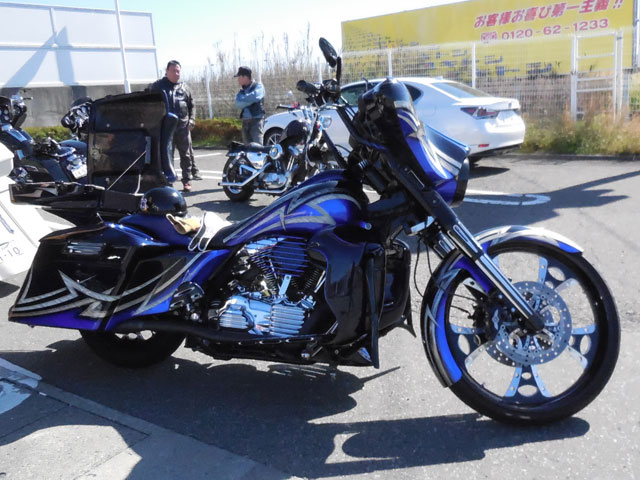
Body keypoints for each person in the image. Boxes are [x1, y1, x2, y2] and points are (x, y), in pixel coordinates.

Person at [148, 60, 201, 192]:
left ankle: (187, 180)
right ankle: (168, 181)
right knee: (167, 155)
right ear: (167, 71)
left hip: (183, 126)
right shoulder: (157, 86)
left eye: (178, 71)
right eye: (174, 71)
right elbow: (150, 105)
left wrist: (192, 120)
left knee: (186, 155)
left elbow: (192, 105)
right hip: (165, 128)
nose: (177, 74)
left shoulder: (184, 87)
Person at [234, 66, 265, 145]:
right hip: (245, 122)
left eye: (239, 77)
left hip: (256, 121)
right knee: (247, 147)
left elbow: (255, 97)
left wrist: (244, 99)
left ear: (245, 77)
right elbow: (238, 104)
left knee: (258, 147)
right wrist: (250, 99)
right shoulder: (241, 91)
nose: (238, 80)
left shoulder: (258, 86)